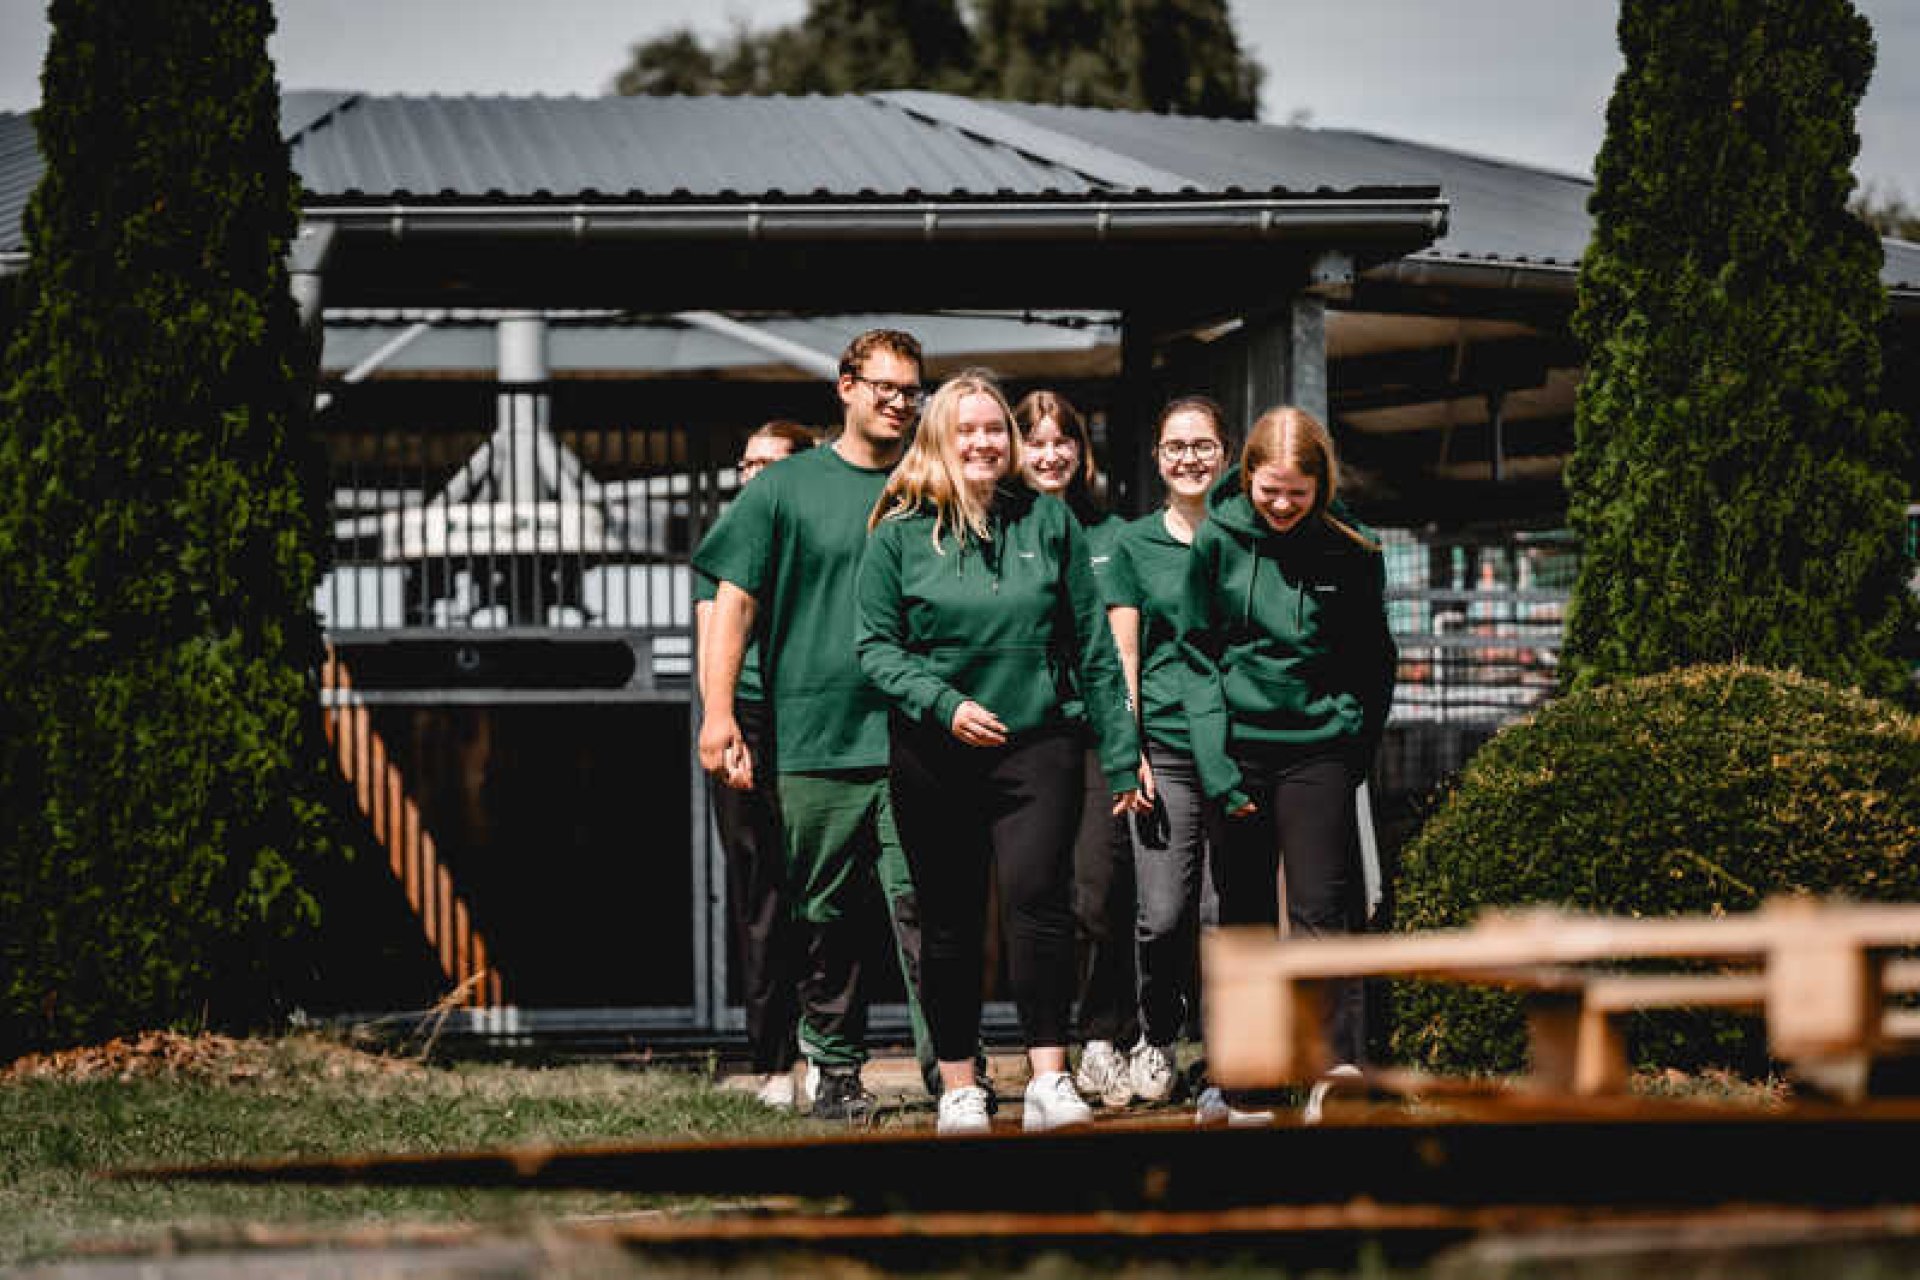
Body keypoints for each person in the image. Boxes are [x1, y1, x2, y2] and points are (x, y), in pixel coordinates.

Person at [856, 369, 1149, 1136]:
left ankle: (1051, 1080)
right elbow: (875, 649)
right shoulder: (895, 534)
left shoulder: (1048, 523)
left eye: (995, 429)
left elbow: (1092, 647)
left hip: (1038, 749)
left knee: (1038, 909)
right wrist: (945, 705)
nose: (985, 442)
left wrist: (1120, 756)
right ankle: (960, 1086)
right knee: (949, 923)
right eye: (969, 430)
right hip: (934, 754)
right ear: (940, 440)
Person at [693, 330, 943, 1121]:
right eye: (885, 387)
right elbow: (731, 605)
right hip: (815, 743)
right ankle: (835, 1075)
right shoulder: (784, 490)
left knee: (925, 913)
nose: (899, 402)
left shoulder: (930, 484)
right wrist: (721, 713)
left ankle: (954, 1075)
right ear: (845, 387)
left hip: (917, 742)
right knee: (825, 923)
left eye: (912, 390)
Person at [1177, 406, 1396, 1125]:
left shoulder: (1352, 549)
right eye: (1268, 490)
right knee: (1242, 913)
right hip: (1236, 750)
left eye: (1295, 493)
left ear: (1320, 484)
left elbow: (1373, 660)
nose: (1279, 505)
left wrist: (1352, 742)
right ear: (1247, 479)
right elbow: (1197, 652)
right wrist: (1215, 765)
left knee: (1320, 908)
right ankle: (1247, 1075)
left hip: (1318, 749)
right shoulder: (1218, 540)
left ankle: (1334, 1065)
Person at [1010, 389, 1144, 1109]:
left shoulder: (1112, 537)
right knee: (1036, 896)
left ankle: (1102, 1037)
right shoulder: (999, 531)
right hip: (1027, 736)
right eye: (1035, 440)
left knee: (1099, 891)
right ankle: (1043, 1050)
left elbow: (1123, 653)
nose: (1050, 453)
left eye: (1063, 440)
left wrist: (1128, 739)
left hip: (1094, 738)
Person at [1102, 396, 1231, 1105]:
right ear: (1157, 457)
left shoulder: (1243, 535)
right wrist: (1131, 748)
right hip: (1168, 751)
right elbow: (1125, 654)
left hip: (1234, 753)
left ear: (1225, 453)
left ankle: (1224, 1056)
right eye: (1176, 446)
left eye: (1202, 444)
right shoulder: (1133, 544)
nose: (1189, 457)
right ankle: (1157, 1033)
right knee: (1165, 914)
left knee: (1221, 916)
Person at [692, 419, 817, 1109]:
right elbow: (713, 633)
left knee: (826, 893)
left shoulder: (822, 531)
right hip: (748, 717)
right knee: (761, 893)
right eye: (747, 464)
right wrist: (722, 720)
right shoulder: (730, 538)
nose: (755, 475)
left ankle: (830, 1052)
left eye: (771, 462)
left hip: (819, 718)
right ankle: (773, 1063)